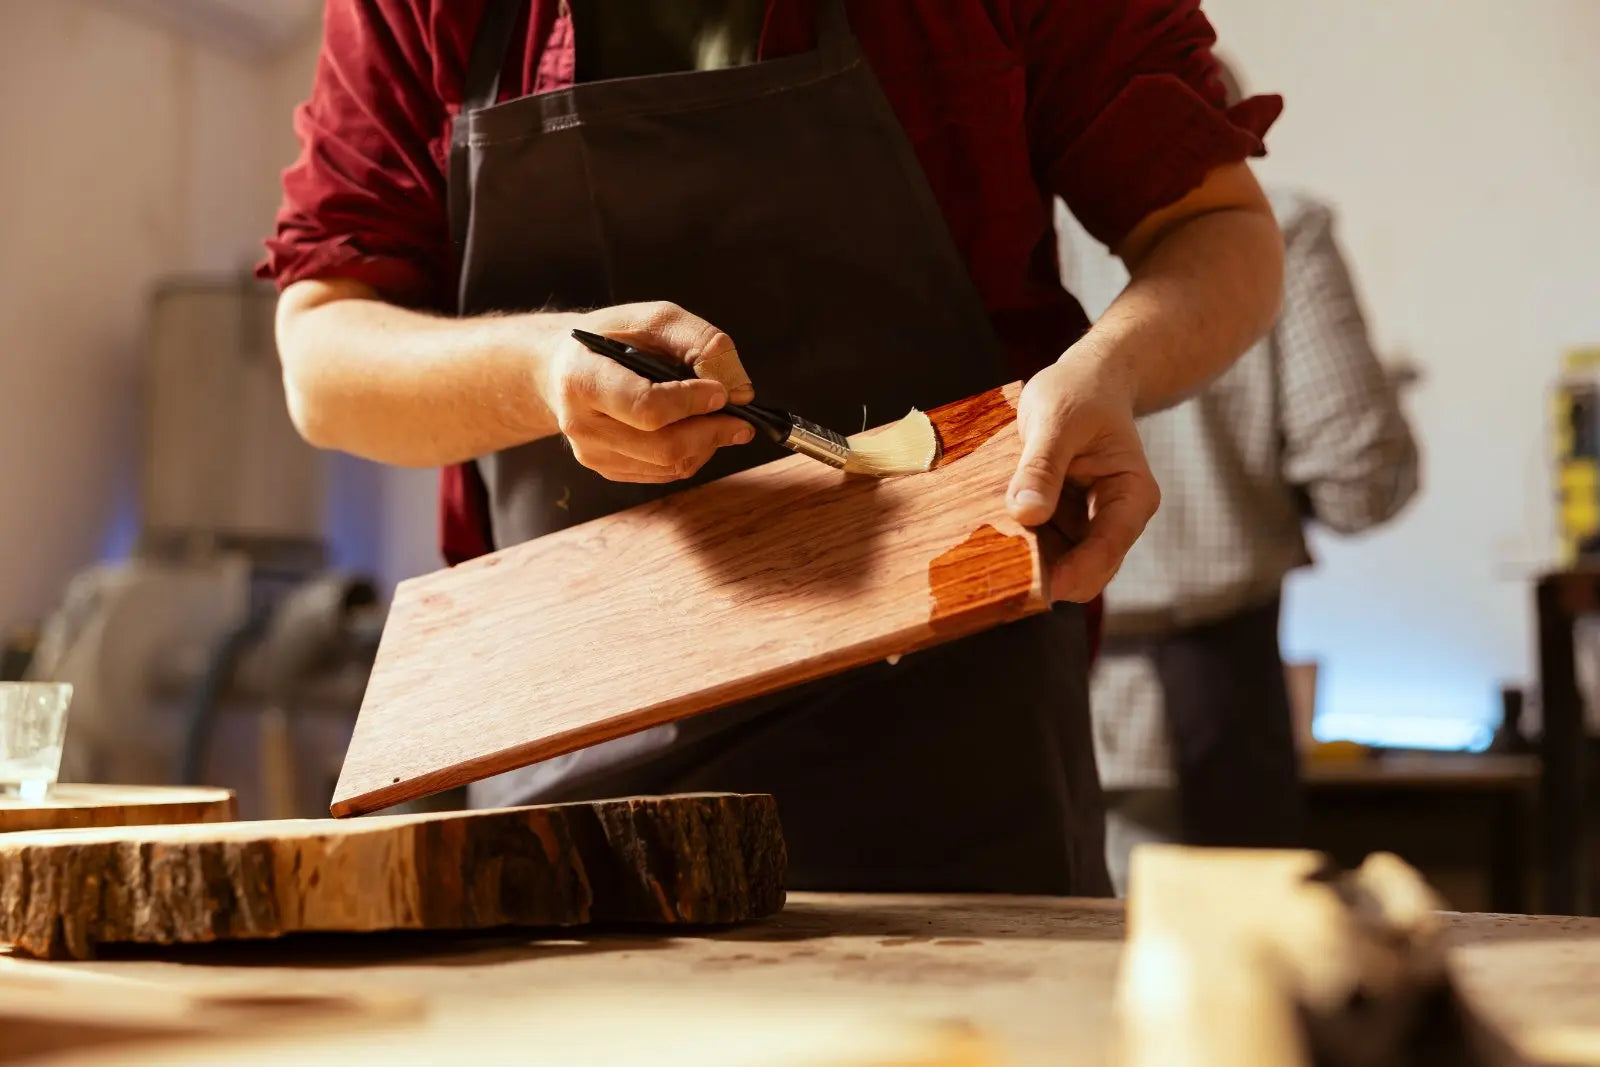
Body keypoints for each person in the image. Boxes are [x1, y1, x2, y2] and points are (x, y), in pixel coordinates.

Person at [259, 0, 1286, 897]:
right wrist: (536, 368)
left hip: (952, 755)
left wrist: (1109, 367)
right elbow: (324, 362)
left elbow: (1220, 231)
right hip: (561, 755)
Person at [1057, 61, 1420, 894]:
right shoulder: (1282, 229)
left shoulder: (1012, 251)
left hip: (1025, 692)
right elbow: (1359, 475)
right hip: (1216, 692)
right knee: (1234, 990)